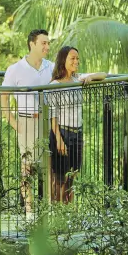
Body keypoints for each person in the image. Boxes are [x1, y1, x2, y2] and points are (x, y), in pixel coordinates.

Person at [1, 29, 52, 213]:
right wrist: (15, 124)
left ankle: (48, 210)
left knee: (49, 166)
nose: (47, 46)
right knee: (27, 168)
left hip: (48, 122)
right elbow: (3, 98)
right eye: (43, 43)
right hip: (26, 121)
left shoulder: (51, 67)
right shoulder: (15, 69)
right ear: (32, 44)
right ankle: (29, 211)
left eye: (48, 43)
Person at [47, 46, 106, 203]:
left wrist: (91, 77)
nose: (76, 61)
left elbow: (104, 75)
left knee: (72, 178)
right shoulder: (54, 85)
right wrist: (59, 139)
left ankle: (69, 216)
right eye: (72, 58)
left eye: (77, 58)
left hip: (77, 134)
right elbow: (52, 116)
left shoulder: (78, 79)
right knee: (60, 179)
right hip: (62, 134)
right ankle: (57, 215)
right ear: (63, 60)